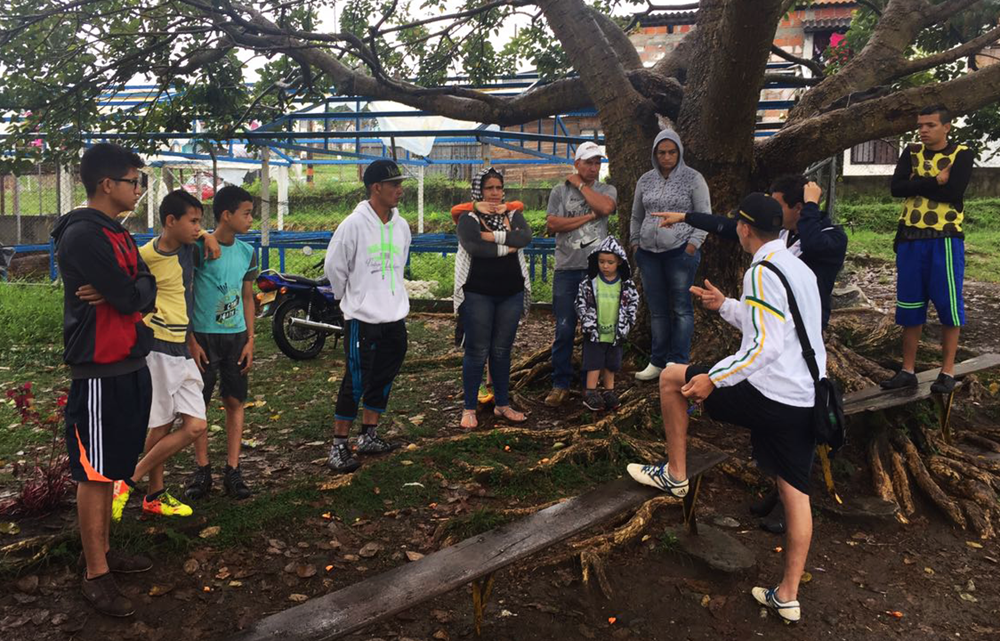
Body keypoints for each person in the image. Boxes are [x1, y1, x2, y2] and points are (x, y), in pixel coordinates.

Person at [627, 193, 826, 624]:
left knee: (670, 377)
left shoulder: (761, 270)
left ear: (745, 229)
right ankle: (787, 595)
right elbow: (781, 326)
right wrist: (727, 307)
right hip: (807, 398)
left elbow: (765, 346)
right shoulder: (797, 265)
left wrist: (713, 378)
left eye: (736, 223)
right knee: (795, 491)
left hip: (771, 396)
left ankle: (675, 474)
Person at [52, 142, 156, 617]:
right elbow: (131, 294)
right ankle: (96, 574)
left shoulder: (114, 232)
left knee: (112, 465)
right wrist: (131, 290)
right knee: (94, 474)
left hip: (129, 362)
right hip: (98, 368)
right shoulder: (82, 235)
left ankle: (106, 554)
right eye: (134, 181)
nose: (139, 188)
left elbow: (143, 287)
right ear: (107, 184)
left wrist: (131, 289)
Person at [110, 191, 219, 521]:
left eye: (201, 221)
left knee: (196, 425)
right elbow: (121, 284)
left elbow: (211, 240)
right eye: (194, 221)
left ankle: (128, 479)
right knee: (159, 425)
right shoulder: (145, 256)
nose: (198, 227)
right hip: (156, 346)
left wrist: (209, 236)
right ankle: (154, 495)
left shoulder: (190, 249)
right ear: (170, 221)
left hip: (181, 349)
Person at [653, 177, 846, 329]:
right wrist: (686, 217)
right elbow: (729, 227)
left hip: (806, 324)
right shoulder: (782, 232)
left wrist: (811, 205)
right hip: (776, 318)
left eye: (778, 207)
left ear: (798, 208)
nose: (772, 212)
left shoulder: (832, 238)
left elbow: (812, 245)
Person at [324, 159, 411, 473]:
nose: (400, 190)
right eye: (395, 185)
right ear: (377, 188)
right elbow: (335, 267)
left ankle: (369, 435)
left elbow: (400, 263)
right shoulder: (353, 225)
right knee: (356, 380)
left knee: (384, 375)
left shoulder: (401, 225)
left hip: (394, 317)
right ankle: (338, 445)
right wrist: (350, 298)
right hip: (362, 318)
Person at [881, 105, 974, 393]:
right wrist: (934, 181)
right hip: (910, 239)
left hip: (943, 239)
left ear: (947, 127)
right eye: (920, 125)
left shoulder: (961, 154)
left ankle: (947, 372)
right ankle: (907, 369)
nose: (923, 130)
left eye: (930, 125)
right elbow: (896, 188)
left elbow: (953, 193)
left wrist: (915, 184)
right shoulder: (910, 152)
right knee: (909, 306)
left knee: (948, 306)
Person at [184, 185, 257, 501]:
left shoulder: (246, 253)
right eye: (247, 213)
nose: (251, 219)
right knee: (197, 406)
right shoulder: (199, 249)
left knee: (234, 402)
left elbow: (247, 296)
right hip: (203, 337)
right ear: (226, 215)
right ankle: (202, 470)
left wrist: (251, 339)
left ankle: (233, 469)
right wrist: (190, 339)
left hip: (236, 338)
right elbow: (184, 292)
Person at [454, 168, 533, 428]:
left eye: (499, 188)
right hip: (478, 292)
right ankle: (469, 408)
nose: (495, 193)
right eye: (489, 188)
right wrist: (508, 247)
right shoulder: (468, 218)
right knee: (477, 350)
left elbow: (525, 237)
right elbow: (474, 247)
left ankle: (502, 404)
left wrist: (493, 237)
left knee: (502, 350)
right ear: (479, 191)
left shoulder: (513, 214)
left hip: (511, 291)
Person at [630, 130, 710, 381]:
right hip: (648, 254)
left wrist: (692, 245)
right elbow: (636, 215)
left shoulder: (693, 179)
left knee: (681, 308)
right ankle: (657, 361)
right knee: (657, 309)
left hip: (680, 252)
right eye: (661, 152)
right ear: (655, 153)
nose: (666, 157)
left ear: (679, 152)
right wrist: (635, 244)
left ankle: (678, 361)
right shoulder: (645, 180)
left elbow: (704, 214)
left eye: (671, 152)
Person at [544, 141, 617, 407]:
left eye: (597, 162)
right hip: (566, 269)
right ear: (577, 164)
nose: (594, 167)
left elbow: (606, 209)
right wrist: (588, 217)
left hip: (598, 271)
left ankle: (590, 386)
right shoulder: (558, 192)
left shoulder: (607, 189)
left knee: (596, 330)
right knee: (564, 328)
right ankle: (560, 383)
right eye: (588, 162)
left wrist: (581, 186)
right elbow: (553, 224)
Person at [574, 236, 639, 411]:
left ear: (619, 262)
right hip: (595, 332)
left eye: (610, 262)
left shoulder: (626, 285)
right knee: (593, 362)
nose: (605, 266)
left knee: (612, 363)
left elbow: (633, 303)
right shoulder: (590, 283)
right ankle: (591, 392)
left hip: (616, 333)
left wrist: (629, 321)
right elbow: (581, 303)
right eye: (601, 261)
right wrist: (586, 321)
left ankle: (609, 391)